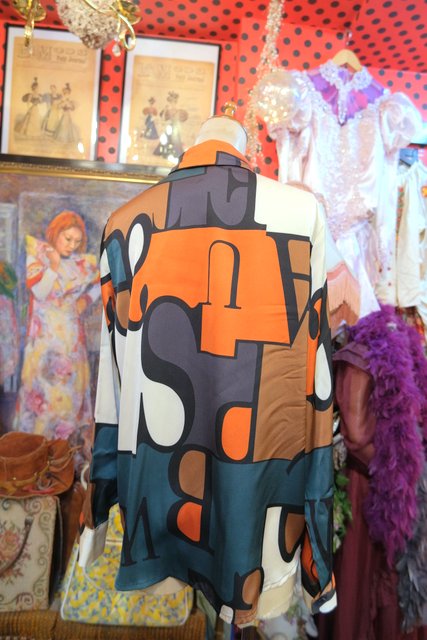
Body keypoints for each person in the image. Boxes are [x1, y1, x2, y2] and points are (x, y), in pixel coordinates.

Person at [80, 109, 335, 627]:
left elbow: (114, 383)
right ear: (246, 149)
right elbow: (317, 383)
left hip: (158, 503)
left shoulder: (125, 223)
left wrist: (99, 507)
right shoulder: (300, 212)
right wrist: (317, 548)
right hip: (262, 511)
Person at [14, 211, 100, 461]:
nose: (72, 245)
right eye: (67, 239)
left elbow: (99, 283)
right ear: (55, 233)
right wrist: (52, 265)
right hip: (45, 342)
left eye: (77, 241)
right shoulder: (38, 256)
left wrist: (85, 300)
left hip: (71, 341)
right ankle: (35, 458)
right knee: (44, 397)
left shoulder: (81, 264)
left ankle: (66, 459)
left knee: (70, 397)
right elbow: (40, 293)